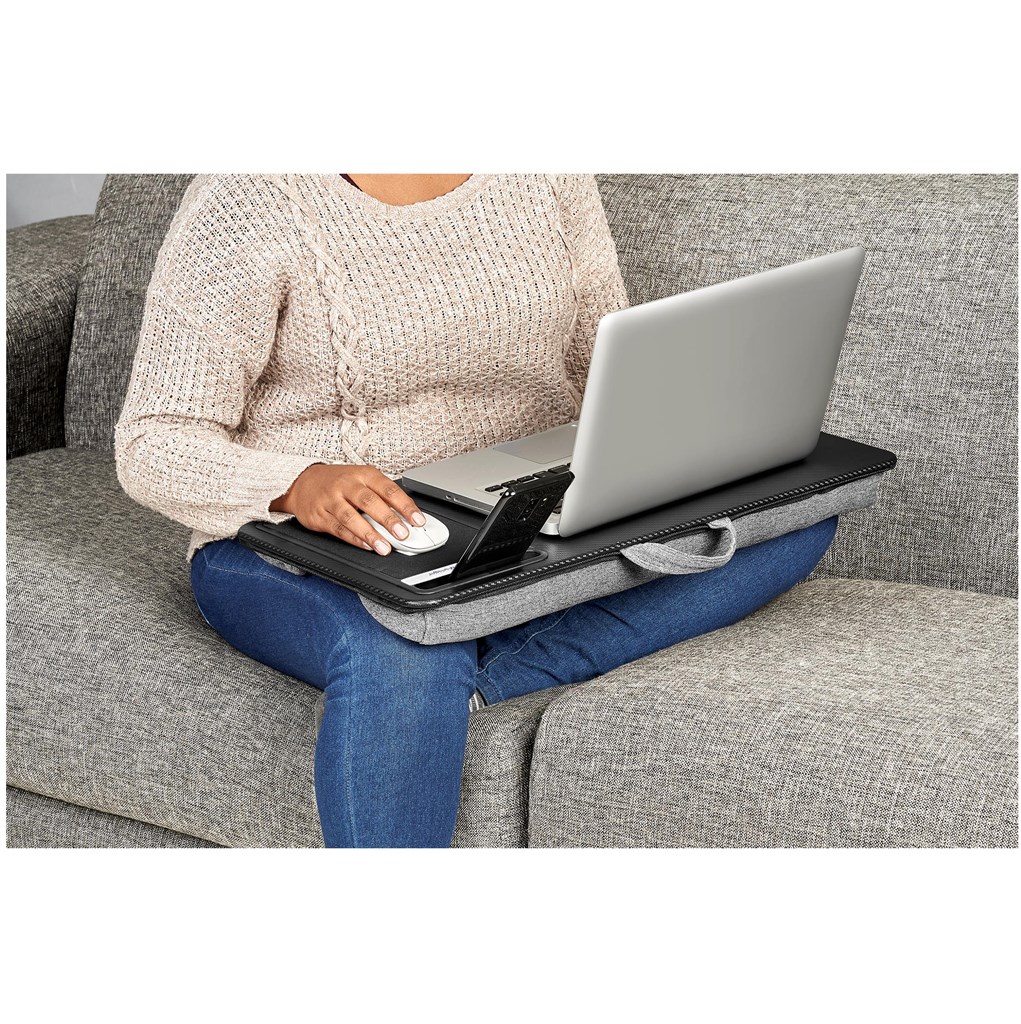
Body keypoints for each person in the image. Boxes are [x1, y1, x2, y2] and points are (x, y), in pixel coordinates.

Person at [114, 173, 838, 848]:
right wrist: (298, 483)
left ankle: (470, 679)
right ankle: (435, 679)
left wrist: (671, 447)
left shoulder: (549, 171)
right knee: (407, 645)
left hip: (523, 511)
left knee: (791, 519)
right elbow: (153, 440)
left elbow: (605, 359)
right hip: (298, 542)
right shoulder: (248, 197)